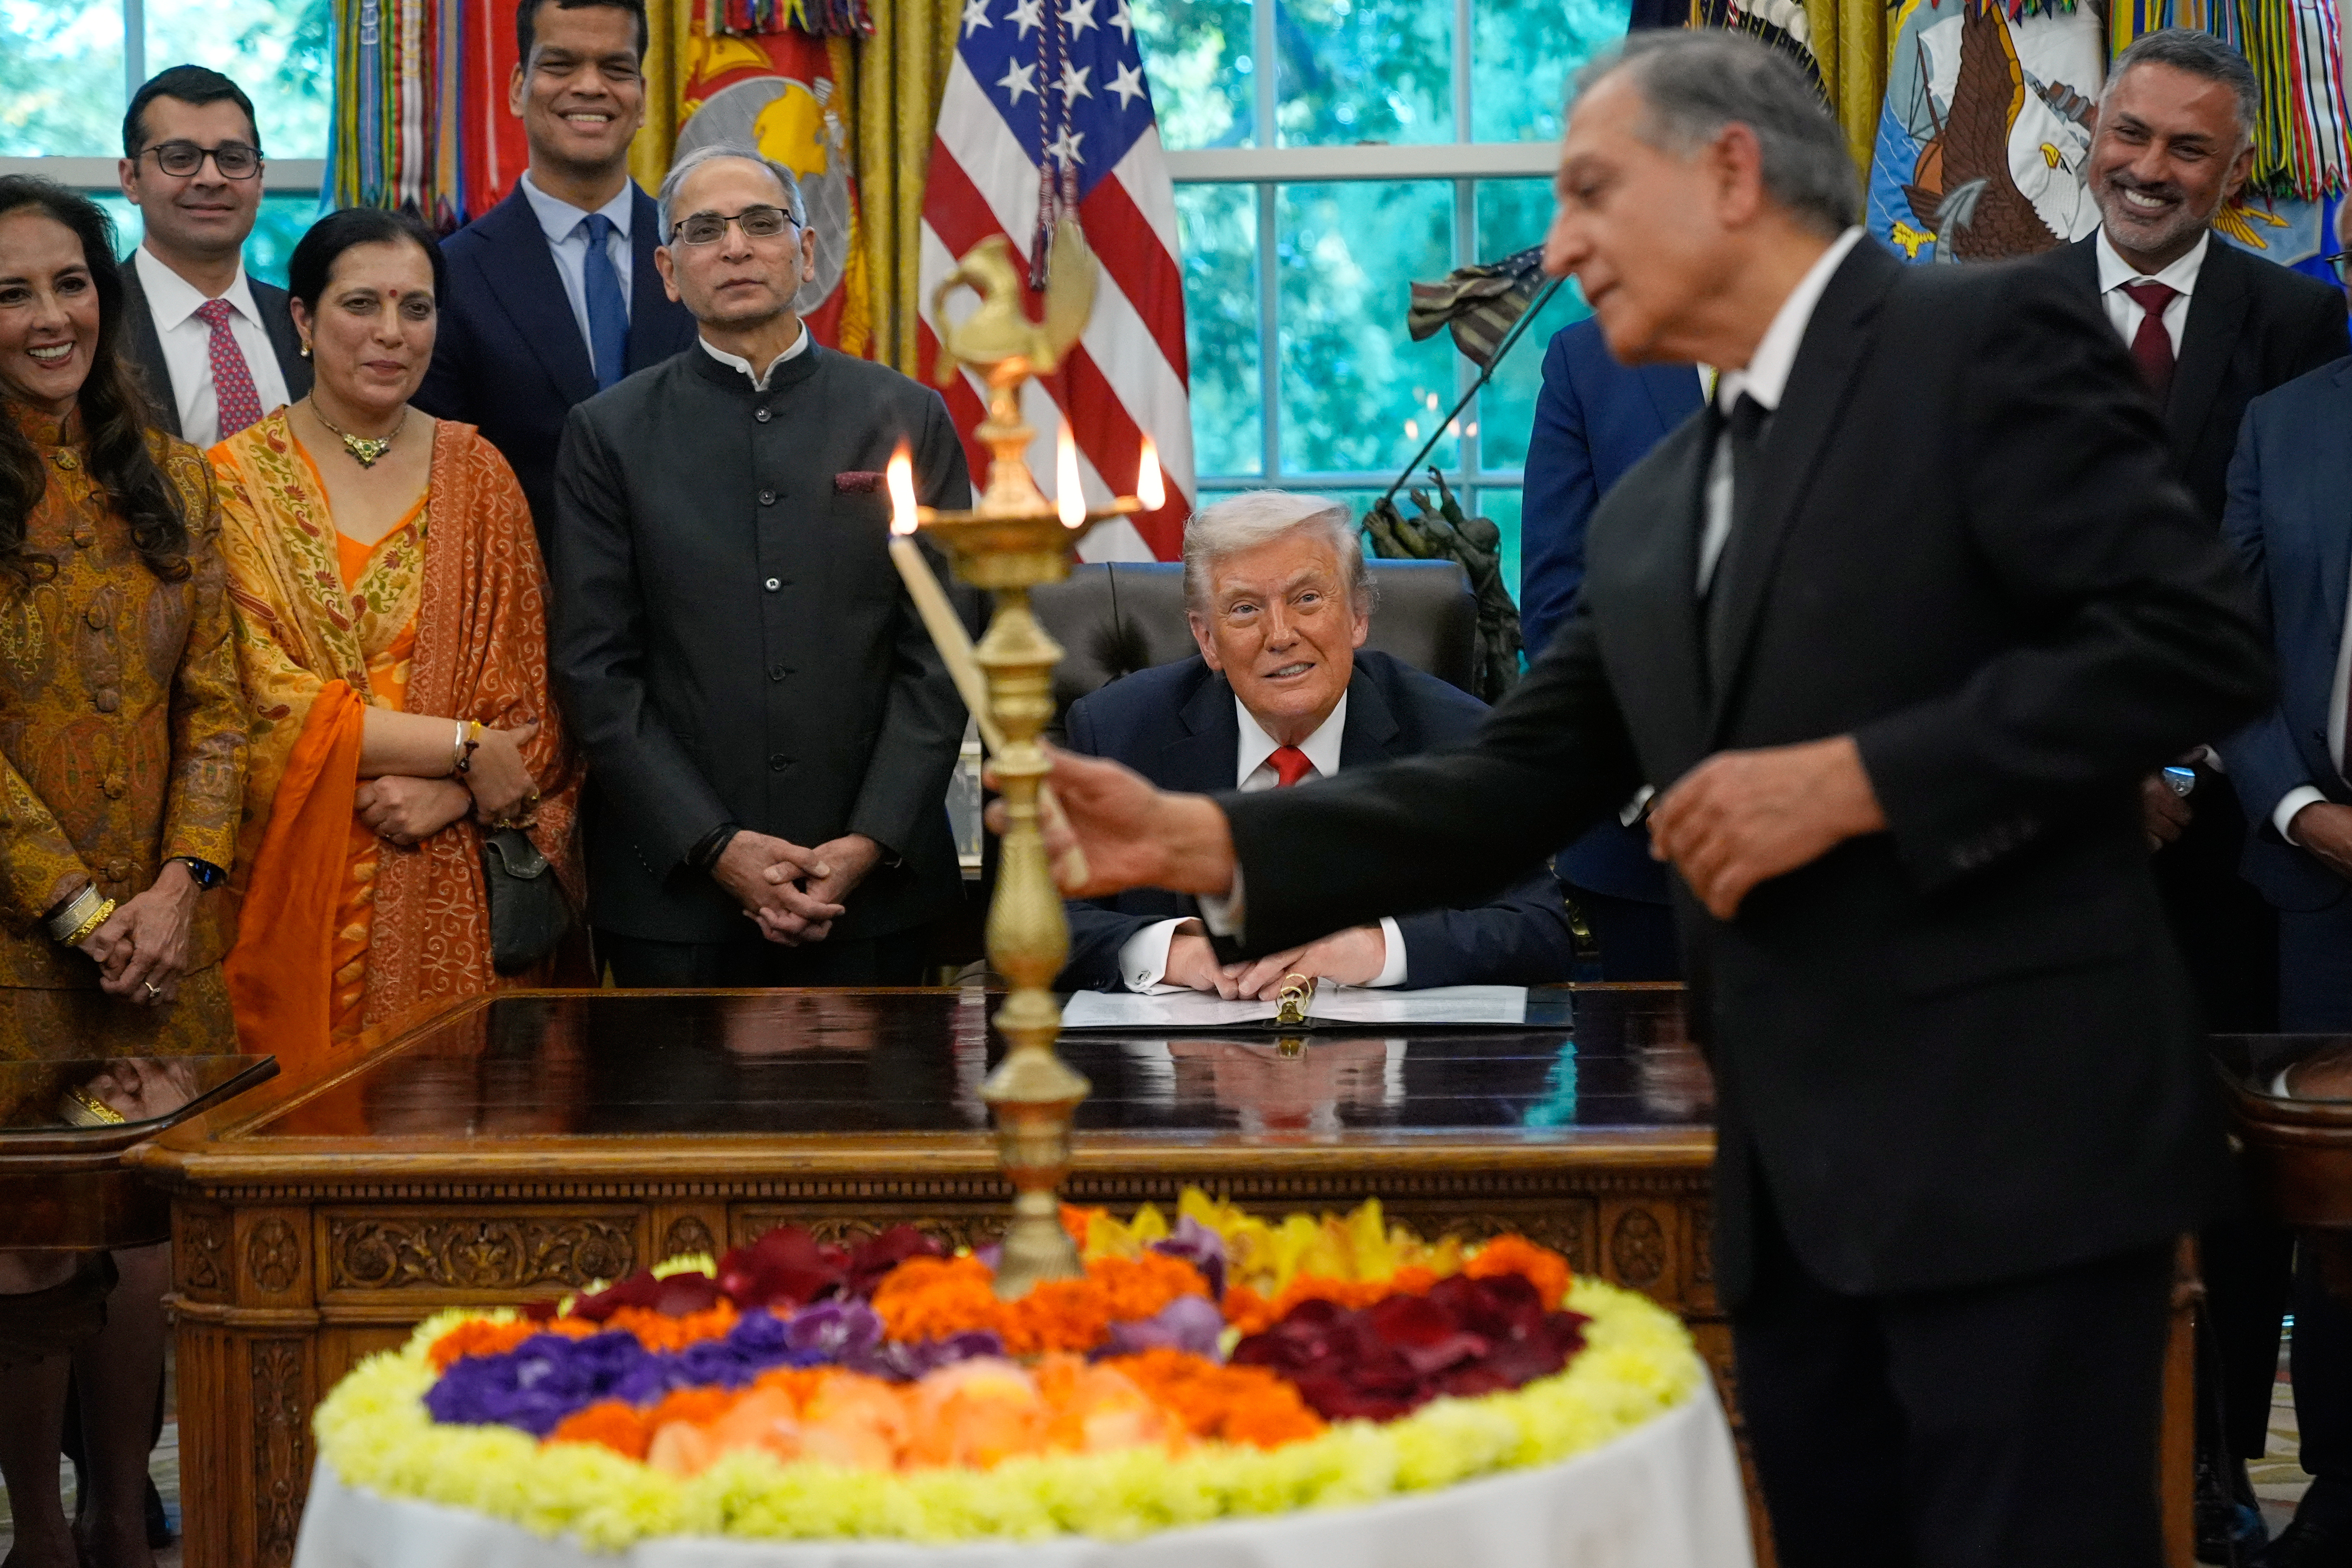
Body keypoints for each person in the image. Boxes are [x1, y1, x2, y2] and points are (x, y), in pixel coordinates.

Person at [1027, 31, 2274, 1565]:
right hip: (1788, 1198)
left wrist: (1860, 780)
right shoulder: (1656, 506)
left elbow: (2190, 637)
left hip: (2017, 1166)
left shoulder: (1987, 339)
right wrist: (1209, 839)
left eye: (1592, 193)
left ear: (1729, 174)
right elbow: (1514, 778)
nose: (1555, 246)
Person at [2038, 34, 2352, 1557]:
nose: (2151, 169)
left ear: (2238, 172)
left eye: (2189, 151)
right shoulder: (1985, 319)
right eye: (2133, 134)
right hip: (2040, 840)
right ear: (2093, 132)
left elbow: (2276, 592)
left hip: (2242, 846)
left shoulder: (2302, 324)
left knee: (2236, 1188)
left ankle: (2222, 1480)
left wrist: (2180, 763)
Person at [551, 145, 969, 987]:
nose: (736, 247)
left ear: (805, 252)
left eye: (761, 223)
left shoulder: (906, 415)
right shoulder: (608, 434)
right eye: (704, 231)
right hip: (676, 897)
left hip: (877, 891)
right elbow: (596, 669)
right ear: (670, 272)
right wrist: (715, 846)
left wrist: (869, 839)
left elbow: (948, 648)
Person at [0, 174, 247, 1568]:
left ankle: (117, 1518)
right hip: (18, 944)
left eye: (71, 283)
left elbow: (220, 705)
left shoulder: (174, 475)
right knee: (27, 1239)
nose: (52, 316)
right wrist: (83, 907)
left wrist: (177, 886)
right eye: (13, 292)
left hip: (166, 940)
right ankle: (34, 1529)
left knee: (150, 1231)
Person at [210, 206, 576, 1074]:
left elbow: (536, 703)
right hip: (296, 889)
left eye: (416, 308)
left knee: (461, 1164)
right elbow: (259, 699)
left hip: (461, 890)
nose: (391, 333)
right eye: (360, 304)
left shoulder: (480, 474)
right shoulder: (232, 482)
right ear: (301, 318)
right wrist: (461, 747)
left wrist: (454, 792)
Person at [1057, 490, 1576, 997]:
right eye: (1244, 609)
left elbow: (1537, 927)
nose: (1280, 634)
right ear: (1207, 638)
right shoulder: (1120, 731)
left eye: (1307, 598)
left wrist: (1374, 949)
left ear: (1357, 616)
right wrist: (1178, 952)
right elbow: (1042, 922)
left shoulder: (1457, 736)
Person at [2215, 206, 2352, 1568]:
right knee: (2334, 1228)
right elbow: (2231, 649)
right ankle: (2340, 1495)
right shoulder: (2285, 423)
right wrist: (2302, 809)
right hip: (2320, 881)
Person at [412, 0, 698, 542]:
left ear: (641, 97)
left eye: (615, 69)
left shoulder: (702, 252)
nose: (590, 86)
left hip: (696, 615)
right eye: (561, 65)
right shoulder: (450, 276)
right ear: (519, 88)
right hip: (525, 612)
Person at [1520, 316, 1705, 982]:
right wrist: (1655, 778)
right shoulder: (1587, 357)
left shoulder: (1869, 342)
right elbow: (1555, 605)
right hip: (1640, 861)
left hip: (1847, 860)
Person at [114, 65, 311, 447]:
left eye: (234, 159)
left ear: (260, 180)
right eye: (180, 157)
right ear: (131, 179)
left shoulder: (307, 324)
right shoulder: (92, 324)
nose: (210, 178)